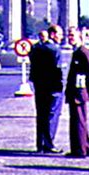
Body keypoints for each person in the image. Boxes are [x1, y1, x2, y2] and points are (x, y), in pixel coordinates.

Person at [28, 24, 64, 154]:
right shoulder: (55, 50)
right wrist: (60, 87)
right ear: (53, 35)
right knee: (52, 115)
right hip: (53, 87)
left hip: (39, 86)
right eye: (60, 34)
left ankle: (40, 144)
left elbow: (33, 67)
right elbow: (57, 70)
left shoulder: (36, 48)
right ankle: (49, 144)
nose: (62, 37)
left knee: (41, 115)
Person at [65, 26, 89, 158]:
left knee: (78, 121)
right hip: (77, 90)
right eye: (69, 35)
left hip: (79, 91)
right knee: (80, 119)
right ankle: (86, 147)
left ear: (79, 36)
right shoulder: (77, 51)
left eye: (72, 35)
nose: (70, 38)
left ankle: (79, 150)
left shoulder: (82, 52)